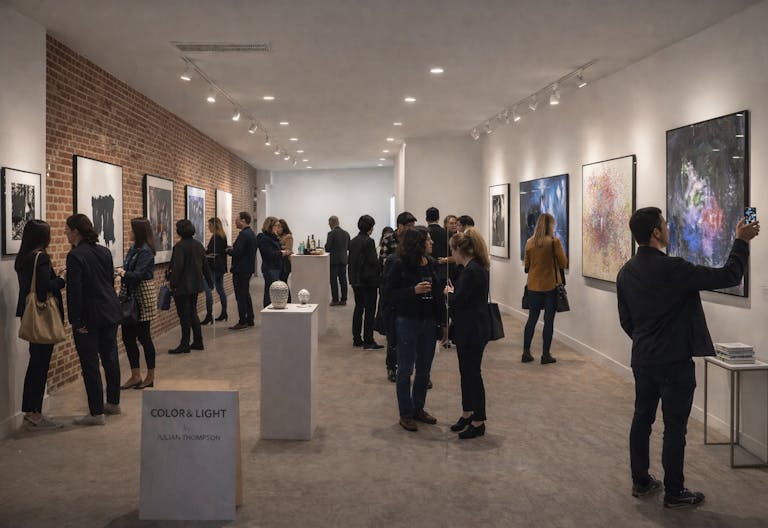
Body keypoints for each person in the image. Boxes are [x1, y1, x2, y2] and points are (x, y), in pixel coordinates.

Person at [617, 207, 759, 509]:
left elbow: (626, 321)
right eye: (665, 224)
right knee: (675, 428)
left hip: (643, 360)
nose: (668, 228)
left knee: (642, 419)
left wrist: (648, 342)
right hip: (674, 362)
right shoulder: (673, 268)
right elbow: (729, 275)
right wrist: (741, 241)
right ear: (656, 232)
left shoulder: (625, 272)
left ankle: (641, 481)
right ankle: (674, 491)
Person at [383, 226, 447, 432]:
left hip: (428, 322)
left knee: (425, 369)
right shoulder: (399, 264)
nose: (432, 243)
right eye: (428, 240)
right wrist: (413, 290)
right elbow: (388, 294)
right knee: (405, 369)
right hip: (407, 321)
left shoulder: (431, 264)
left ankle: (418, 407)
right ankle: (406, 413)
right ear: (418, 243)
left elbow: (438, 295)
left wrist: (443, 323)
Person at [65, 214, 122, 425]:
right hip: (110, 311)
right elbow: (108, 280)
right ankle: (113, 403)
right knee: (110, 358)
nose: (65, 233)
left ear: (76, 232)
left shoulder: (75, 256)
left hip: (89, 317)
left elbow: (75, 292)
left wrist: (76, 321)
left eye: (67, 230)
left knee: (90, 364)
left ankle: (96, 413)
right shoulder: (104, 251)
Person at [14, 220, 66, 430]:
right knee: (40, 366)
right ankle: (35, 413)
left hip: (29, 314)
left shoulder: (23, 258)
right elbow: (44, 289)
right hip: (42, 315)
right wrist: (61, 279)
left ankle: (31, 411)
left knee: (34, 364)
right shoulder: (41, 257)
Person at [444, 228, 491, 439]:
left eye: (451, 251)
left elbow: (460, 301)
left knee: (472, 374)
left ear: (458, 250)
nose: (451, 255)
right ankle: (468, 413)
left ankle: (478, 421)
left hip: (472, 329)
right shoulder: (473, 268)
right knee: (467, 373)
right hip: (470, 327)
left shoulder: (472, 271)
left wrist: (449, 294)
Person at [116, 218, 158, 389]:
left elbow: (138, 274)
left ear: (138, 232)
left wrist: (122, 273)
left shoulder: (146, 251)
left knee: (144, 337)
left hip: (141, 297)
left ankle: (150, 376)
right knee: (127, 337)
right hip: (129, 296)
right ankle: (135, 375)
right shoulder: (134, 248)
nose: (129, 232)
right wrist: (123, 273)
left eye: (132, 230)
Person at [523, 213, 567, 364]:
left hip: (533, 285)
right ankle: (545, 354)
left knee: (532, 319)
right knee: (548, 321)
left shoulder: (529, 242)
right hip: (550, 286)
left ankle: (526, 352)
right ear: (551, 225)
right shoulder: (554, 242)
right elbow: (563, 263)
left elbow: (527, 265)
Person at [379, 212, 416, 382]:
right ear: (399, 226)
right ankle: (391, 367)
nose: (410, 229)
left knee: (411, 334)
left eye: (412, 226)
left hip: (410, 290)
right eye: (408, 226)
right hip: (394, 290)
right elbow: (384, 263)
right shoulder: (388, 239)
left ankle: (409, 368)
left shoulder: (414, 239)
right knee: (393, 335)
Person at [168, 219, 212, 353]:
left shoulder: (180, 247)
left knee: (184, 316)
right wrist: (210, 282)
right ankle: (198, 341)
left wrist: (173, 284)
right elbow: (205, 265)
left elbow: (178, 268)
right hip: (195, 285)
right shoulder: (198, 245)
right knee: (193, 313)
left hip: (182, 286)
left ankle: (185, 344)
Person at [348, 214, 382, 349]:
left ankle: (357, 338)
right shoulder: (369, 241)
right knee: (369, 310)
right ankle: (368, 339)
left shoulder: (353, 240)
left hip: (356, 280)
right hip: (368, 281)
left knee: (358, 308)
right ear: (371, 228)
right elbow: (373, 261)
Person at [228, 211, 258, 329]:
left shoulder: (244, 235)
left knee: (240, 295)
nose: (235, 221)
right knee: (245, 294)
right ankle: (249, 319)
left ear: (244, 220)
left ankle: (242, 321)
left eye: (237, 219)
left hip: (241, 270)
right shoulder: (251, 233)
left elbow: (237, 252)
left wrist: (229, 250)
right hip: (247, 269)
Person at [255, 216, 286, 309]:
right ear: (270, 226)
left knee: (273, 291)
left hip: (276, 267)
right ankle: (268, 311)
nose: (278, 227)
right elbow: (268, 254)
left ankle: (272, 311)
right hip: (270, 268)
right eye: (276, 225)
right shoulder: (264, 238)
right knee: (270, 292)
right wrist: (281, 253)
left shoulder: (273, 237)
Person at [202, 217, 228, 324]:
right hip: (220, 267)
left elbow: (212, 253)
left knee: (208, 290)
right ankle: (224, 313)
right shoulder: (222, 236)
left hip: (214, 267)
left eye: (209, 225)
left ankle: (209, 315)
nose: (208, 227)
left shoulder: (216, 237)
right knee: (220, 289)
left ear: (214, 225)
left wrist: (204, 251)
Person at [325, 215, 350, 306]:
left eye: (329, 223)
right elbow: (348, 247)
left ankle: (335, 300)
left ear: (332, 223)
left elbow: (327, 248)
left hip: (334, 261)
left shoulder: (331, 233)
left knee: (333, 280)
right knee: (343, 280)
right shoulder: (346, 233)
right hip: (343, 259)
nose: (328, 224)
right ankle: (343, 299)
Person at [426, 207, 448, 290]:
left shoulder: (423, 233)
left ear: (426, 219)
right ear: (438, 218)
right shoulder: (447, 233)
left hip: (427, 272)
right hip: (444, 272)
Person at [277, 218, 293, 302]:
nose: (278, 229)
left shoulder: (288, 236)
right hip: (279, 261)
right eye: (277, 226)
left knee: (284, 282)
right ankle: (283, 299)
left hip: (286, 263)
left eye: (279, 227)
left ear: (284, 227)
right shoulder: (277, 236)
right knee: (281, 282)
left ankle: (288, 300)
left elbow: (288, 249)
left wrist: (278, 247)